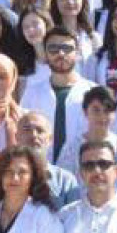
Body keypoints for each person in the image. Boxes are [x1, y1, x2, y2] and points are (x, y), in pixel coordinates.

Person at [21, 28, 94, 163]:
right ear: (45, 53)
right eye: (53, 48)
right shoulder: (32, 92)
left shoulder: (93, 92)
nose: (61, 53)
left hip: (83, 171)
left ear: (77, 53)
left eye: (67, 48)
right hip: (40, 171)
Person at [16, 112, 81, 212]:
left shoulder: (65, 181)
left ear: (50, 139)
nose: (33, 135)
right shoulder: (8, 177)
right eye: (27, 130)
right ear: (17, 137)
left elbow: (73, 219)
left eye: (40, 131)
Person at [56, 86, 117, 177]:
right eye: (96, 110)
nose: (102, 116)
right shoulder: (72, 148)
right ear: (85, 112)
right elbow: (63, 180)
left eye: (107, 110)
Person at [49, 0, 100, 69]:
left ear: (83, 2)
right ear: (55, 2)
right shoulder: (50, 37)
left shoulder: (93, 38)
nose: (70, 2)